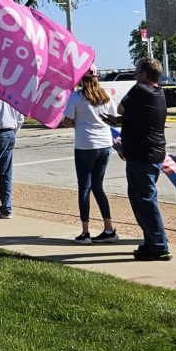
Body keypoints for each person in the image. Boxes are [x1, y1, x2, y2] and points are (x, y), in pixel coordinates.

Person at [115, 58, 172, 261]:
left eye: (137, 72)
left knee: (145, 202)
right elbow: (134, 116)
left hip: (142, 157)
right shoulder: (158, 93)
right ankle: (151, 242)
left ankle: (158, 245)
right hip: (152, 154)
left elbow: (121, 109)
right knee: (142, 199)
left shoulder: (139, 90)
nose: (135, 76)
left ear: (145, 75)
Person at [61, 64, 121, 244]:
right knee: (98, 186)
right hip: (104, 144)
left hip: (85, 145)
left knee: (84, 187)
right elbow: (114, 118)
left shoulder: (76, 96)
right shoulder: (106, 95)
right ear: (96, 77)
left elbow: (68, 123)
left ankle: (85, 232)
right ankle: (108, 228)